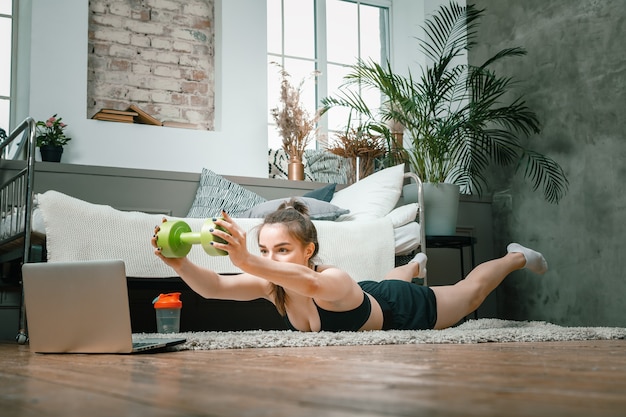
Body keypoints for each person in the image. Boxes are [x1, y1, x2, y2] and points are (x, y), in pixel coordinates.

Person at [151, 198, 547, 332]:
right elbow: (213, 288)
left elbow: (302, 281)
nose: (271, 260)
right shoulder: (269, 283)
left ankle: (515, 256)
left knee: (470, 293)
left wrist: (248, 259)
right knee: (392, 279)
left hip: (402, 310)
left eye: (283, 250)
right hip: (370, 295)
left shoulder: (332, 280)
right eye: (266, 251)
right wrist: (179, 261)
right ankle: (413, 264)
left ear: (309, 251)